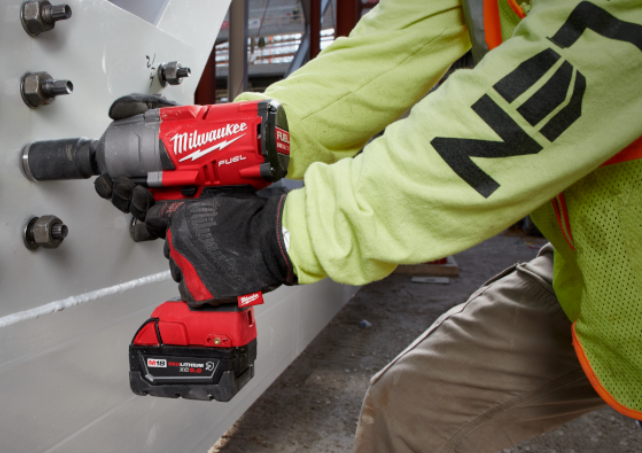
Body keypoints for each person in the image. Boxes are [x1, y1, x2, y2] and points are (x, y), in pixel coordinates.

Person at [98, 0, 642, 450]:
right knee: (410, 411)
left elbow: (522, 115)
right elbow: (370, 64)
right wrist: (214, 144)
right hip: (591, 271)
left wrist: (284, 236)